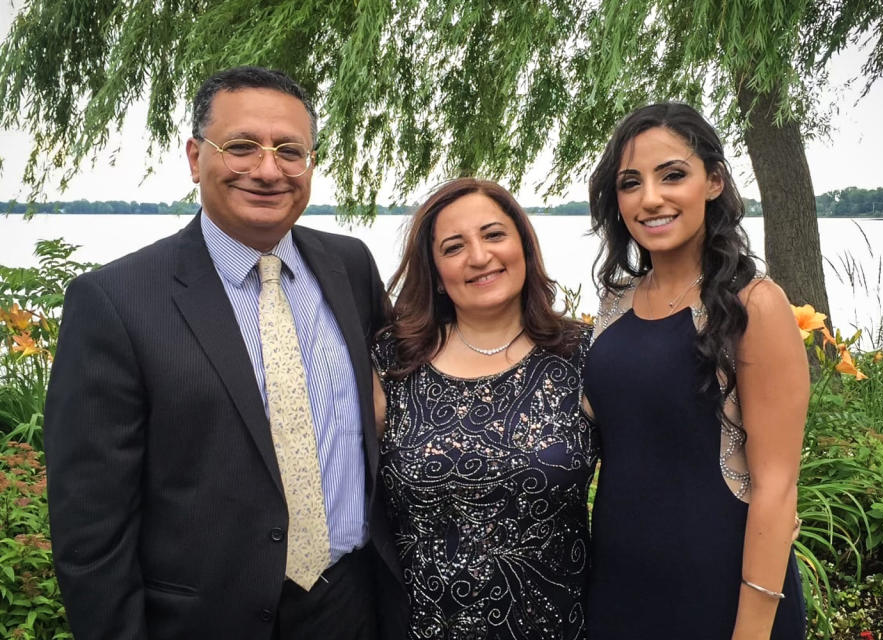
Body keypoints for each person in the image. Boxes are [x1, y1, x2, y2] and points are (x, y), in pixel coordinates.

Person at [44, 66, 406, 639]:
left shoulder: (351, 267)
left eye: (290, 150)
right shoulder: (114, 302)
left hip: (351, 609)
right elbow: (91, 530)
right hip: (204, 622)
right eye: (241, 146)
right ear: (195, 157)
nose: (268, 169)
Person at [583, 103, 808, 639]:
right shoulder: (613, 306)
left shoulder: (754, 305)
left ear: (714, 182)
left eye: (673, 175)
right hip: (620, 589)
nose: (651, 198)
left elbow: (776, 488)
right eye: (630, 183)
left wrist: (751, 632)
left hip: (722, 594)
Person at [370, 178, 596, 640]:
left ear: (524, 247)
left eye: (494, 235)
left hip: (558, 626)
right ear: (434, 272)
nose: (478, 256)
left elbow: (650, 485)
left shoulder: (583, 356)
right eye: (454, 247)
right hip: (417, 627)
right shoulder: (392, 362)